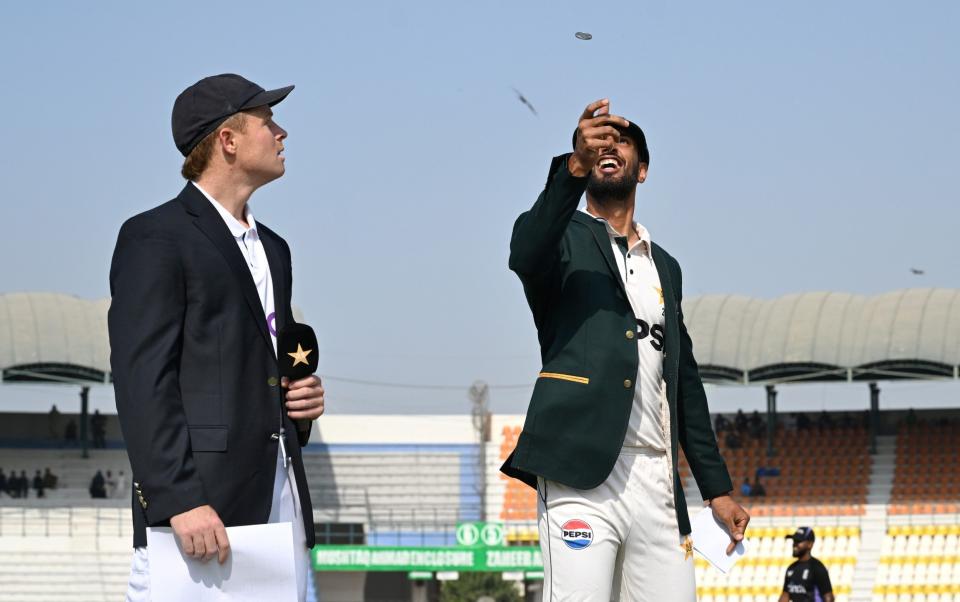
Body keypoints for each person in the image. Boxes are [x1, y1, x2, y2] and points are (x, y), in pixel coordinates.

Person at [500, 99, 748, 601]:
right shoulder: (562, 238)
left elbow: (685, 382)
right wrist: (571, 167)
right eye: (599, 142)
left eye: (623, 141)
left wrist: (716, 489)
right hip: (580, 473)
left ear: (644, 169)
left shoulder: (667, 267)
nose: (609, 146)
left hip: (657, 476)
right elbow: (523, 252)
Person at [108, 73, 324, 602]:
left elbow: (261, 364)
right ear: (227, 140)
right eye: (268, 121)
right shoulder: (155, 236)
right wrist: (178, 497)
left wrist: (299, 403)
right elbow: (143, 379)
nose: (282, 133)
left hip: (279, 503)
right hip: (197, 516)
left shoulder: (275, 248)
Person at [780, 527, 834, 602]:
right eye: (794, 541)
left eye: (798, 541)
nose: (795, 544)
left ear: (810, 544)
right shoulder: (791, 569)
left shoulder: (817, 567)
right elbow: (785, 595)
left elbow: (829, 597)